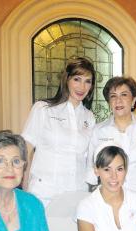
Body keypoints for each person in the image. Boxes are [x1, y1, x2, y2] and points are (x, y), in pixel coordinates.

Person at [86, 76, 136, 223]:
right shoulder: (99, 131)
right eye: (113, 96)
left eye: (124, 95)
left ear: (134, 100)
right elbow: (92, 169)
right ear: (109, 102)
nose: (118, 101)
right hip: (108, 202)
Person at [22, 57, 97, 206]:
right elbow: (26, 149)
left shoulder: (89, 117)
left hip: (77, 193)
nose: (82, 86)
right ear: (66, 80)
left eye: (87, 81)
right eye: (77, 79)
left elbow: (89, 159)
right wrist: (24, 187)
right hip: (44, 193)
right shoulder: (43, 108)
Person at [77, 145, 136, 231]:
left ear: (126, 171)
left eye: (119, 169)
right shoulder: (86, 207)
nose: (114, 176)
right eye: (107, 169)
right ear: (97, 171)